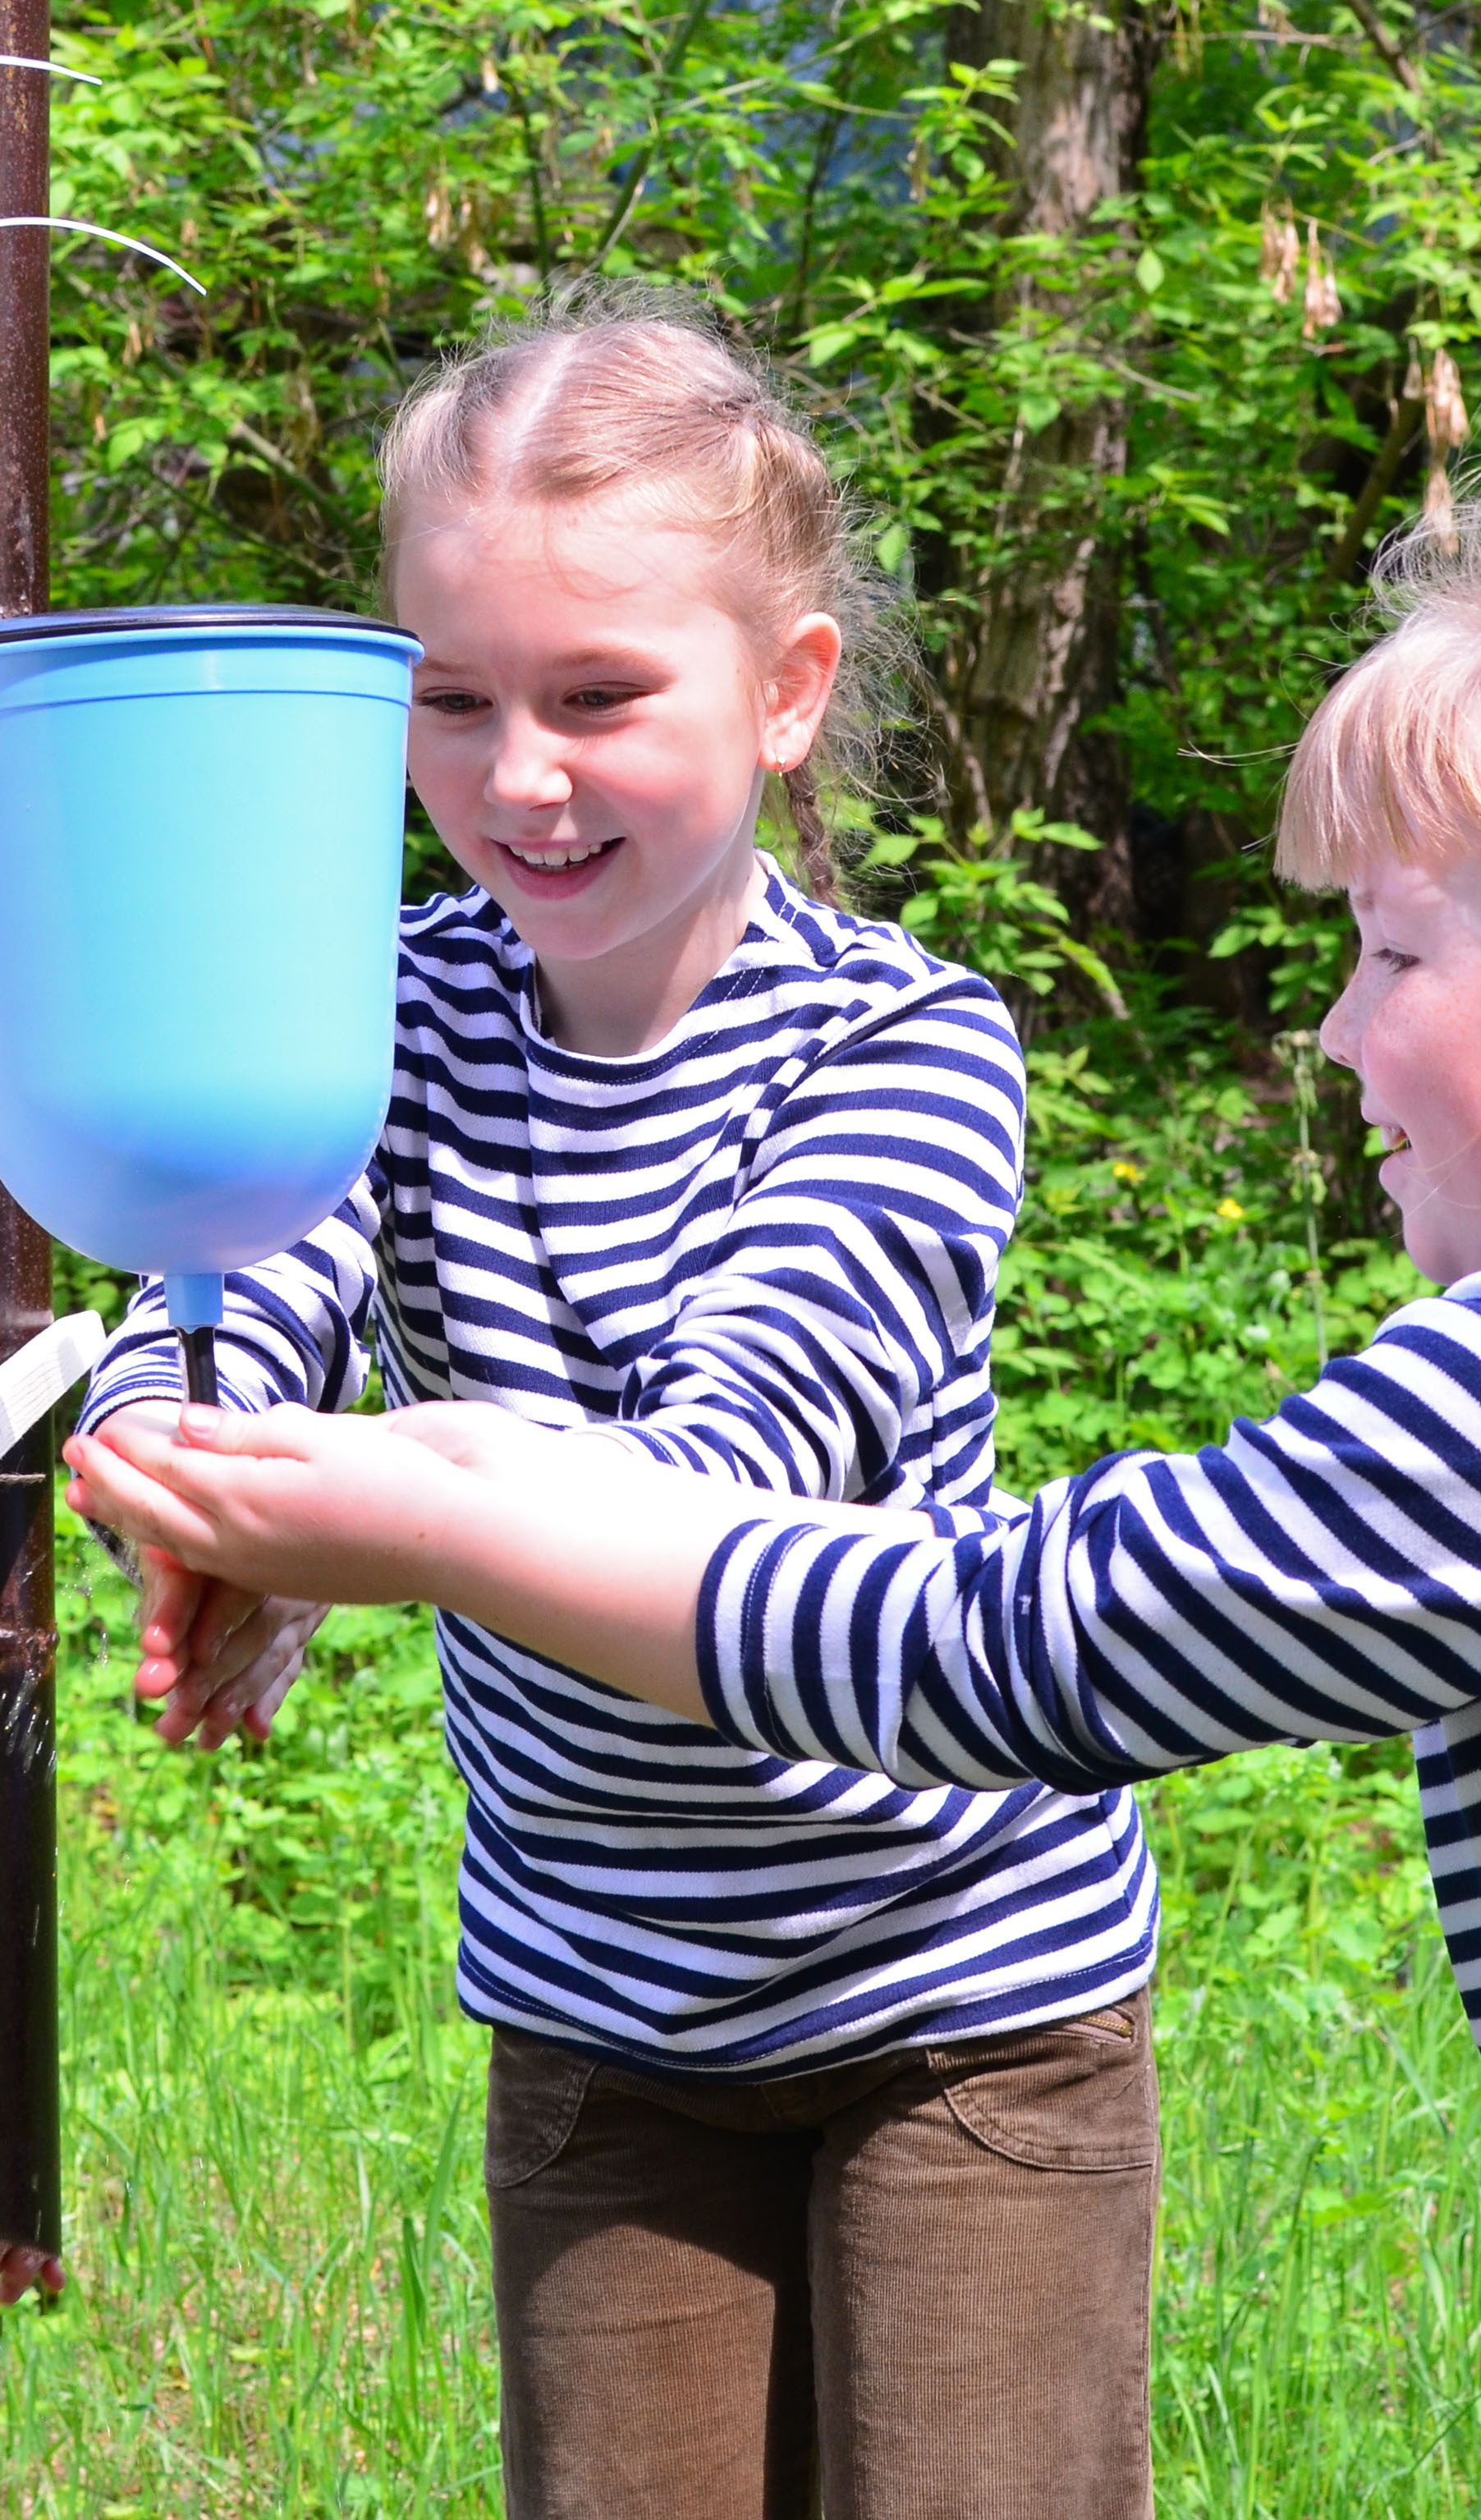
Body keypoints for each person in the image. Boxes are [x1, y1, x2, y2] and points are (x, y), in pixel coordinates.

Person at [71, 448, 1481, 2520]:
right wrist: (266, 1436)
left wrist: (431, 1512)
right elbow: (304, 1236)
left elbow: (999, 1641)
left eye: (1394, 955)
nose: (1332, 1030)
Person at [50, 288, 1164, 2520]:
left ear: (788, 694)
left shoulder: (908, 1051)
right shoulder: (382, 1003)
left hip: (962, 2000)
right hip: (601, 2011)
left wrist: (356, 1512)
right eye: (450, 702)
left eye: (598, 697)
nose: (518, 778)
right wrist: (216, 1475)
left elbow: (728, 1477)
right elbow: (280, 1256)